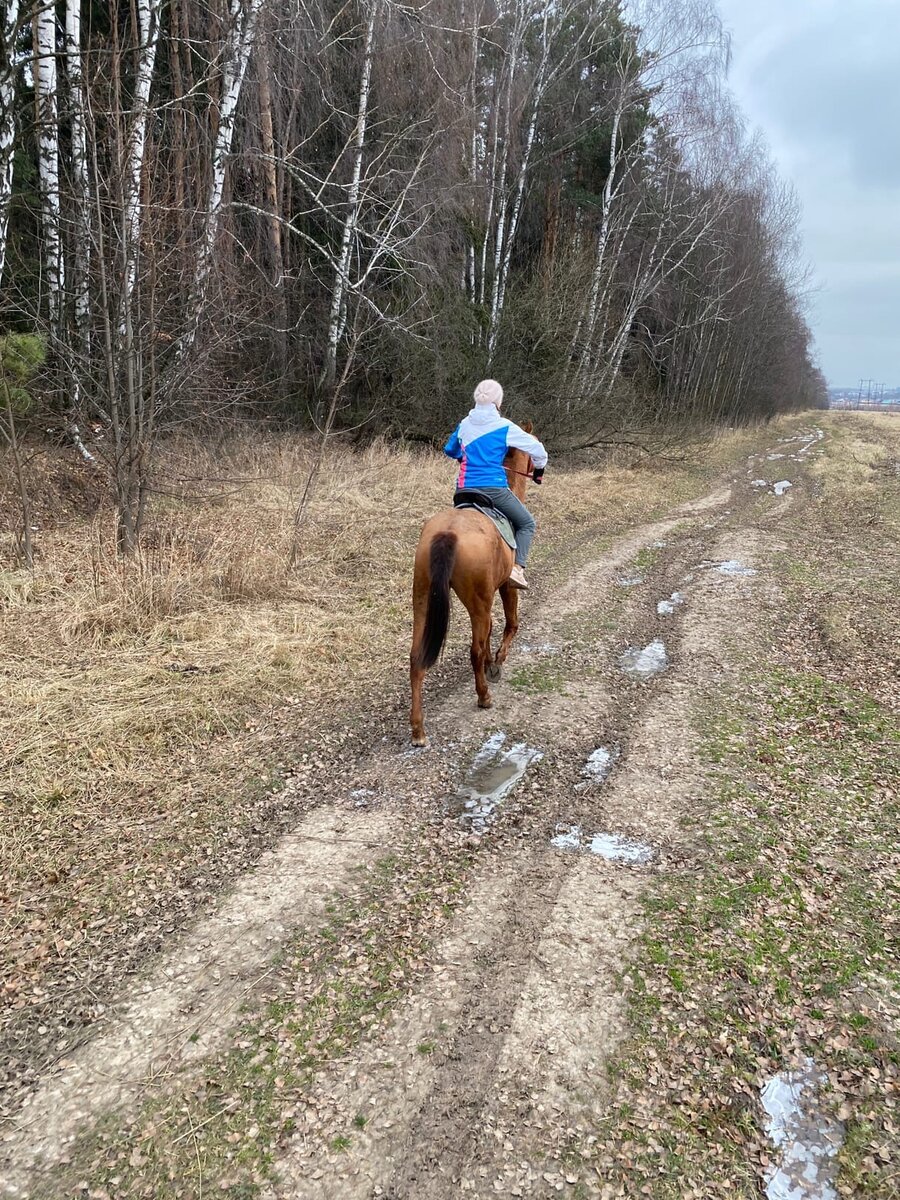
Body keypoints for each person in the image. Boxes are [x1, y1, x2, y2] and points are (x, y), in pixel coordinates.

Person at [443, 379, 548, 590]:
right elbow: (538, 450)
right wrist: (539, 470)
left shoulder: (464, 424)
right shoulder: (504, 427)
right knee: (527, 523)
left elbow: (449, 450)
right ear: (498, 403)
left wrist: (463, 456)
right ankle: (517, 569)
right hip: (493, 490)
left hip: (463, 490)